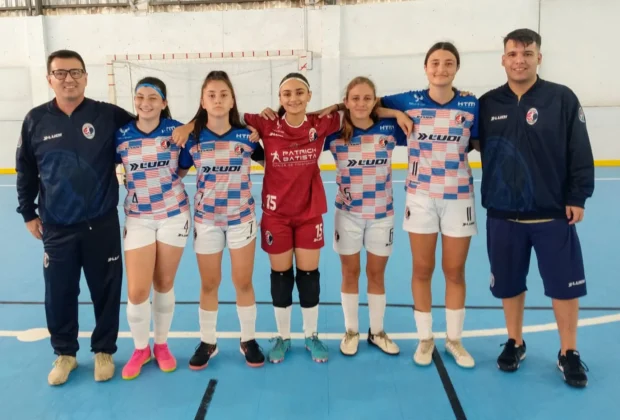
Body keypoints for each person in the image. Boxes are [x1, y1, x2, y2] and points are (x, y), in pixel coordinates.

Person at [319, 42, 479, 368]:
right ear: (425, 67)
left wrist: (392, 114)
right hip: (397, 203)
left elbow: (479, 142)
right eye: (435, 62)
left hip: (449, 199)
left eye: (448, 63)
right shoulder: (396, 107)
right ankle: (410, 337)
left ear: (457, 68)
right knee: (416, 269)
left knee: (453, 271)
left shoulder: (470, 104)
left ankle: (451, 340)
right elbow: (367, 107)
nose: (441, 68)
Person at [476, 28, 593, 388]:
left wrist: (578, 196)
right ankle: (515, 341)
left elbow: (580, 150)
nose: (520, 60)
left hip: (552, 214)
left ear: (539, 57)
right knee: (509, 284)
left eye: (527, 53)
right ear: (503, 59)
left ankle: (568, 351)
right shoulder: (488, 103)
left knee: (564, 287)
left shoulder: (561, 98)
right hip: (503, 215)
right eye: (513, 54)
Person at [15, 49, 134, 385]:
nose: (69, 78)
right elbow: (25, 169)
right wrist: (28, 213)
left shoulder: (107, 115)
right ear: (49, 78)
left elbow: (147, 127)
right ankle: (65, 354)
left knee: (107, 289)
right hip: (56, 226)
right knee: (59, 292)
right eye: (61, 72)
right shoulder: (35, 120)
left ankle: (104, 351)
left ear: (85, 76)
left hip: (102, 222)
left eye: (75, 72)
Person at [176, 71, 266, 369]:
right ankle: (208, 341)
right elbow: (175, 174)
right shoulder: (192, 140)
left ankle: (248, 339)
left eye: (223, 94)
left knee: (243, 282)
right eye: (211, 94)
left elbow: (274, 162)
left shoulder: (248, 137)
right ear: (202, 100)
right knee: (209, 283)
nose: (217, 99)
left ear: (232, 100)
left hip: (242, 219)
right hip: (207, 221)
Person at [323, 76, 406, 356]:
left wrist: (393, 112)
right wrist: (334, 108)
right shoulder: (334, 133)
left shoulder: (390, 128)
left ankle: (377, 331)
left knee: (376, 274)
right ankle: (351, 331)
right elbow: (302, 121)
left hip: (382, 214)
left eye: (367, 98)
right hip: (347, 215)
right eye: (354, 98)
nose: (360, 103)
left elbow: (414, 117)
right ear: (346, 102)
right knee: (350, 272)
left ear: (374, 101)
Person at [115, 77, 190, 380]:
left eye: (152, 97)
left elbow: (183, 168)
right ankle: (139, 348)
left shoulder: (177, 131)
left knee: (163, 283)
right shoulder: (120, 134)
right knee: (136, 290)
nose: (145, 103)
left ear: (164, 101)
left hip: (173, 215)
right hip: (138, 217)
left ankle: (161, 344)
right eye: (139, 97)